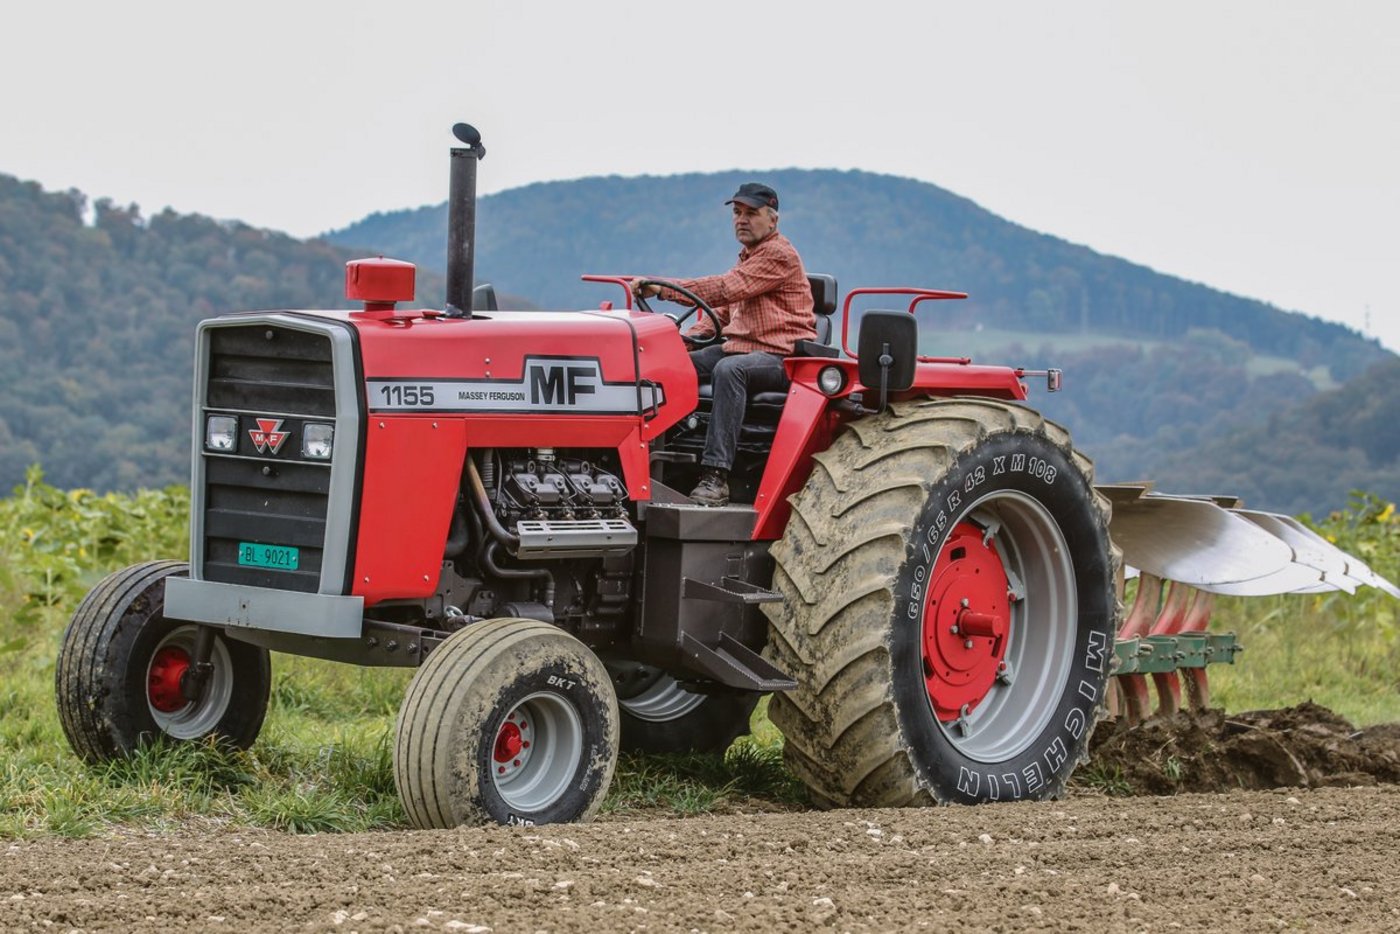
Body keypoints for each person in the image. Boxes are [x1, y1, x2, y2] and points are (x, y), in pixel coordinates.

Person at [633, 183, 816, 507]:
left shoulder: (778, 254)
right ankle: (652, 456)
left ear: (772, 220)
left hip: (781, 356)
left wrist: (664, 289)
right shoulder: (749, 257)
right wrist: (687, 340)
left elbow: (728, 288)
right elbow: (724, 310)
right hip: (742, 346)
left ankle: (715, 477)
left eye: (751, 213)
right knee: (673, 367)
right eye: (737, 213)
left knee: (730, 370)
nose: (741, 220)